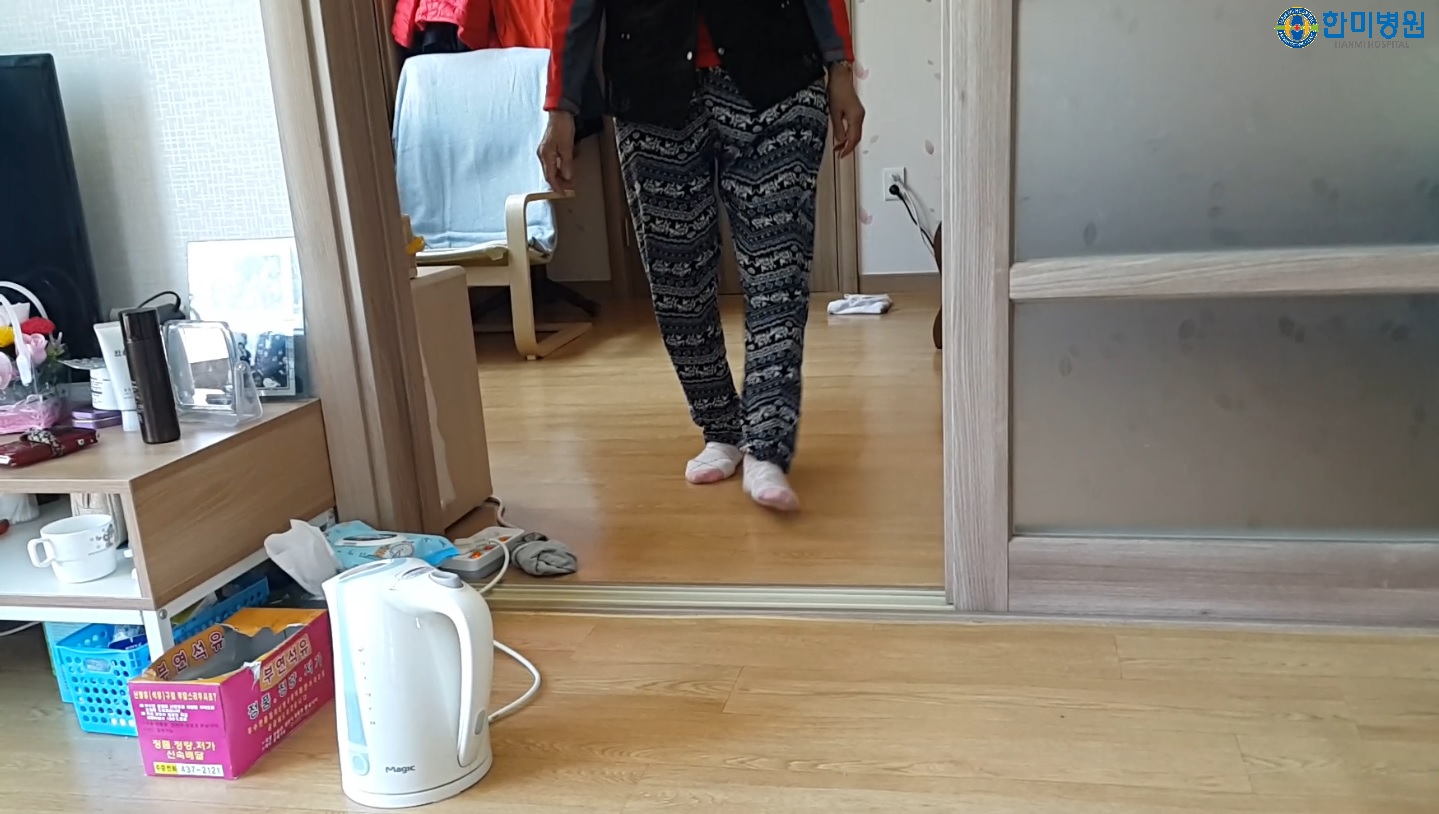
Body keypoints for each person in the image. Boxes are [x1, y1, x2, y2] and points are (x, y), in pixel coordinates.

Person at [539, 0, 864, 513]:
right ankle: (721, 429)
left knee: (778, 270)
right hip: (649, 87)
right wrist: (562, 107)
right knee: (678, 282)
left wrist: (839, 67)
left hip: (778, 78)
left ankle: (766, 445)